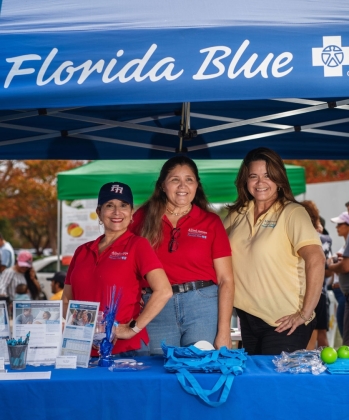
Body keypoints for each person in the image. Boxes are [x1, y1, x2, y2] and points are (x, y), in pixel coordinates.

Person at [224, 147, 324, 355]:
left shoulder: (292, 213)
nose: (260, 183)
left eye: (268, 176)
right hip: (248, 319)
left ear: (279, 179)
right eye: (254, 176)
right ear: (245, 180)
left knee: (272, 384)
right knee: (256, 383)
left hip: (285, 323)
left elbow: (316, 260)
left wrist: (305, 313)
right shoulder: (238, 214)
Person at [131, 156, 234, 354]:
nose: (182, 186)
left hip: (202, 306)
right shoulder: (142, 218)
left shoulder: (210, 222)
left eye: (189, 179)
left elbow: (226, 279)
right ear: (162, 185)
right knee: (155, 372)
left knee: (200, 372)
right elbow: (128, 264)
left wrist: (224, 330)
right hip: (156, 307)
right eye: (174, 179)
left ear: (197, 185)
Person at [62, 181, 172, 356]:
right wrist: (81, 331)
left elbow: (164, 290)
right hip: (82, 350)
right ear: (99, 212)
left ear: (131, 213)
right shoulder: (82, 251)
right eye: (109, 205)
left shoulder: (138, 245)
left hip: (124, 350)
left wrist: (132, 329)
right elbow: (67, 299)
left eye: (123, 205)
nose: (116, 212)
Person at [300, 200, 332, 349]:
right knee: (321, 336)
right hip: (320, 291)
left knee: (306, 340)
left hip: (299, 293)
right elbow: (328, 268)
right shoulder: (324, 240)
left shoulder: (294, 237)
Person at [327, 212, 349, 345]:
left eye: (340, 224)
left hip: (345, 295)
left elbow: (346, 267)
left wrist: (332, 265)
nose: (337, 227)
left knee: (346, 342)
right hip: (343, 295)